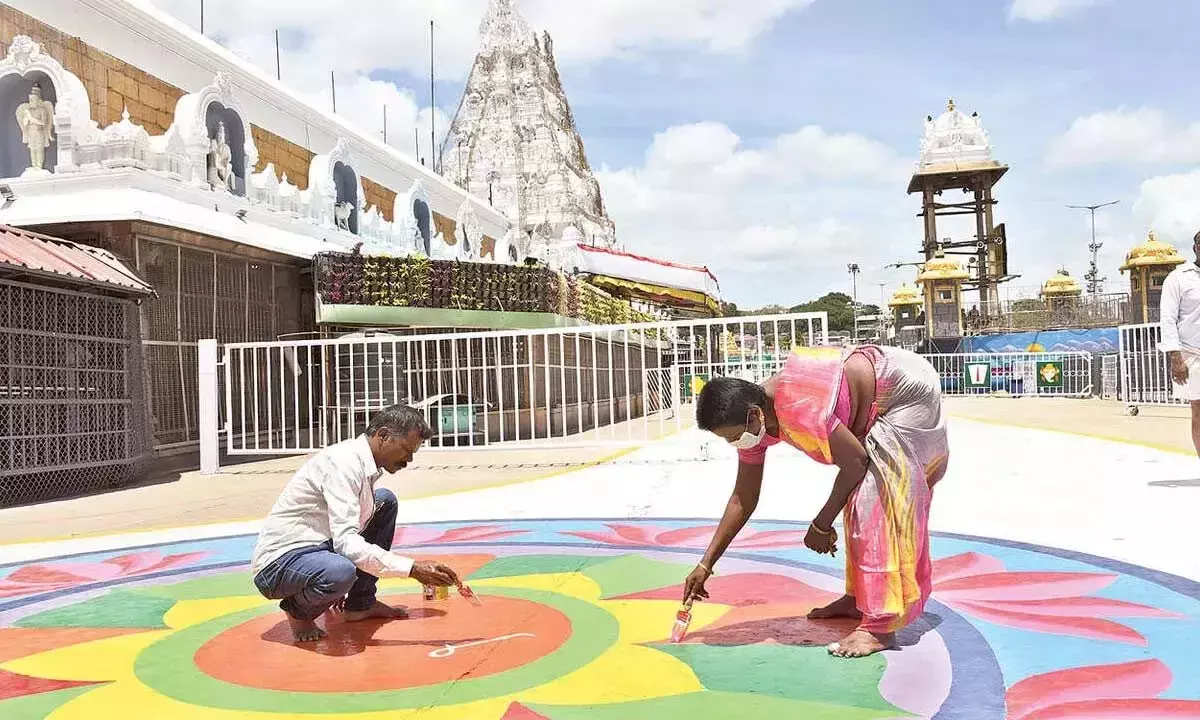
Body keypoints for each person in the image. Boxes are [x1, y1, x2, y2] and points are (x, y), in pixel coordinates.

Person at [684, 344, 949, 658]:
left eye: (732, 436)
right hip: (873, 388)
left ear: (754, 415)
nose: (733, 443)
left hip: (906, 389)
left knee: (872, 504)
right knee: (857, 502)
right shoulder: (755, 421)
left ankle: (880, 626)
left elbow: (855, 462)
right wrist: (706, 564)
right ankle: (858, 599)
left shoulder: (798, 405)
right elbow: (743, 498)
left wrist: (821, 524)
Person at [251, 405, 462, 642]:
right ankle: (298, 611)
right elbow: (346, 543)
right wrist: (412, 569)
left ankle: (361, 603)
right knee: (340, 572)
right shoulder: (343, 463)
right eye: (405, 450)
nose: (409, 459)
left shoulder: (364, 465)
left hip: (319, 545)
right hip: (280, 563)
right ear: (383, 435)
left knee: (385, 502)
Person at [1160, 230, 1200, 457]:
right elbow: (1167, 319)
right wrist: (1175, 357)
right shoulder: (1179, 278)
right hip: (1193, 355)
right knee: (1199, 410)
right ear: (1195, 247)